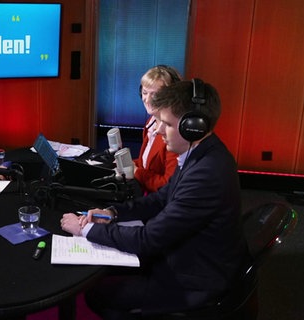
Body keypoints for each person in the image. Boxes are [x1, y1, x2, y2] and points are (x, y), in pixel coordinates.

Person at [60, 79, 250, 318]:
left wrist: (85, 230)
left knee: (97, 294)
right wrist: (113, 213)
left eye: (166, 123)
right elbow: (160, 199)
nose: (159, 130)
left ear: (193, 127)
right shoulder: (200, 153)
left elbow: (148, 240)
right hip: (190, 257)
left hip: (194, 281)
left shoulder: (206, 173)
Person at [134, 65, 180, 194]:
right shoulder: (151, 121)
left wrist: (136, 172)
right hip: (145, 196)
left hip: (160, 204)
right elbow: (146, 165)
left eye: (155, 95)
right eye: (144, 93)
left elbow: (167, 185)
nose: (147, 100)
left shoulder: (174, 134)